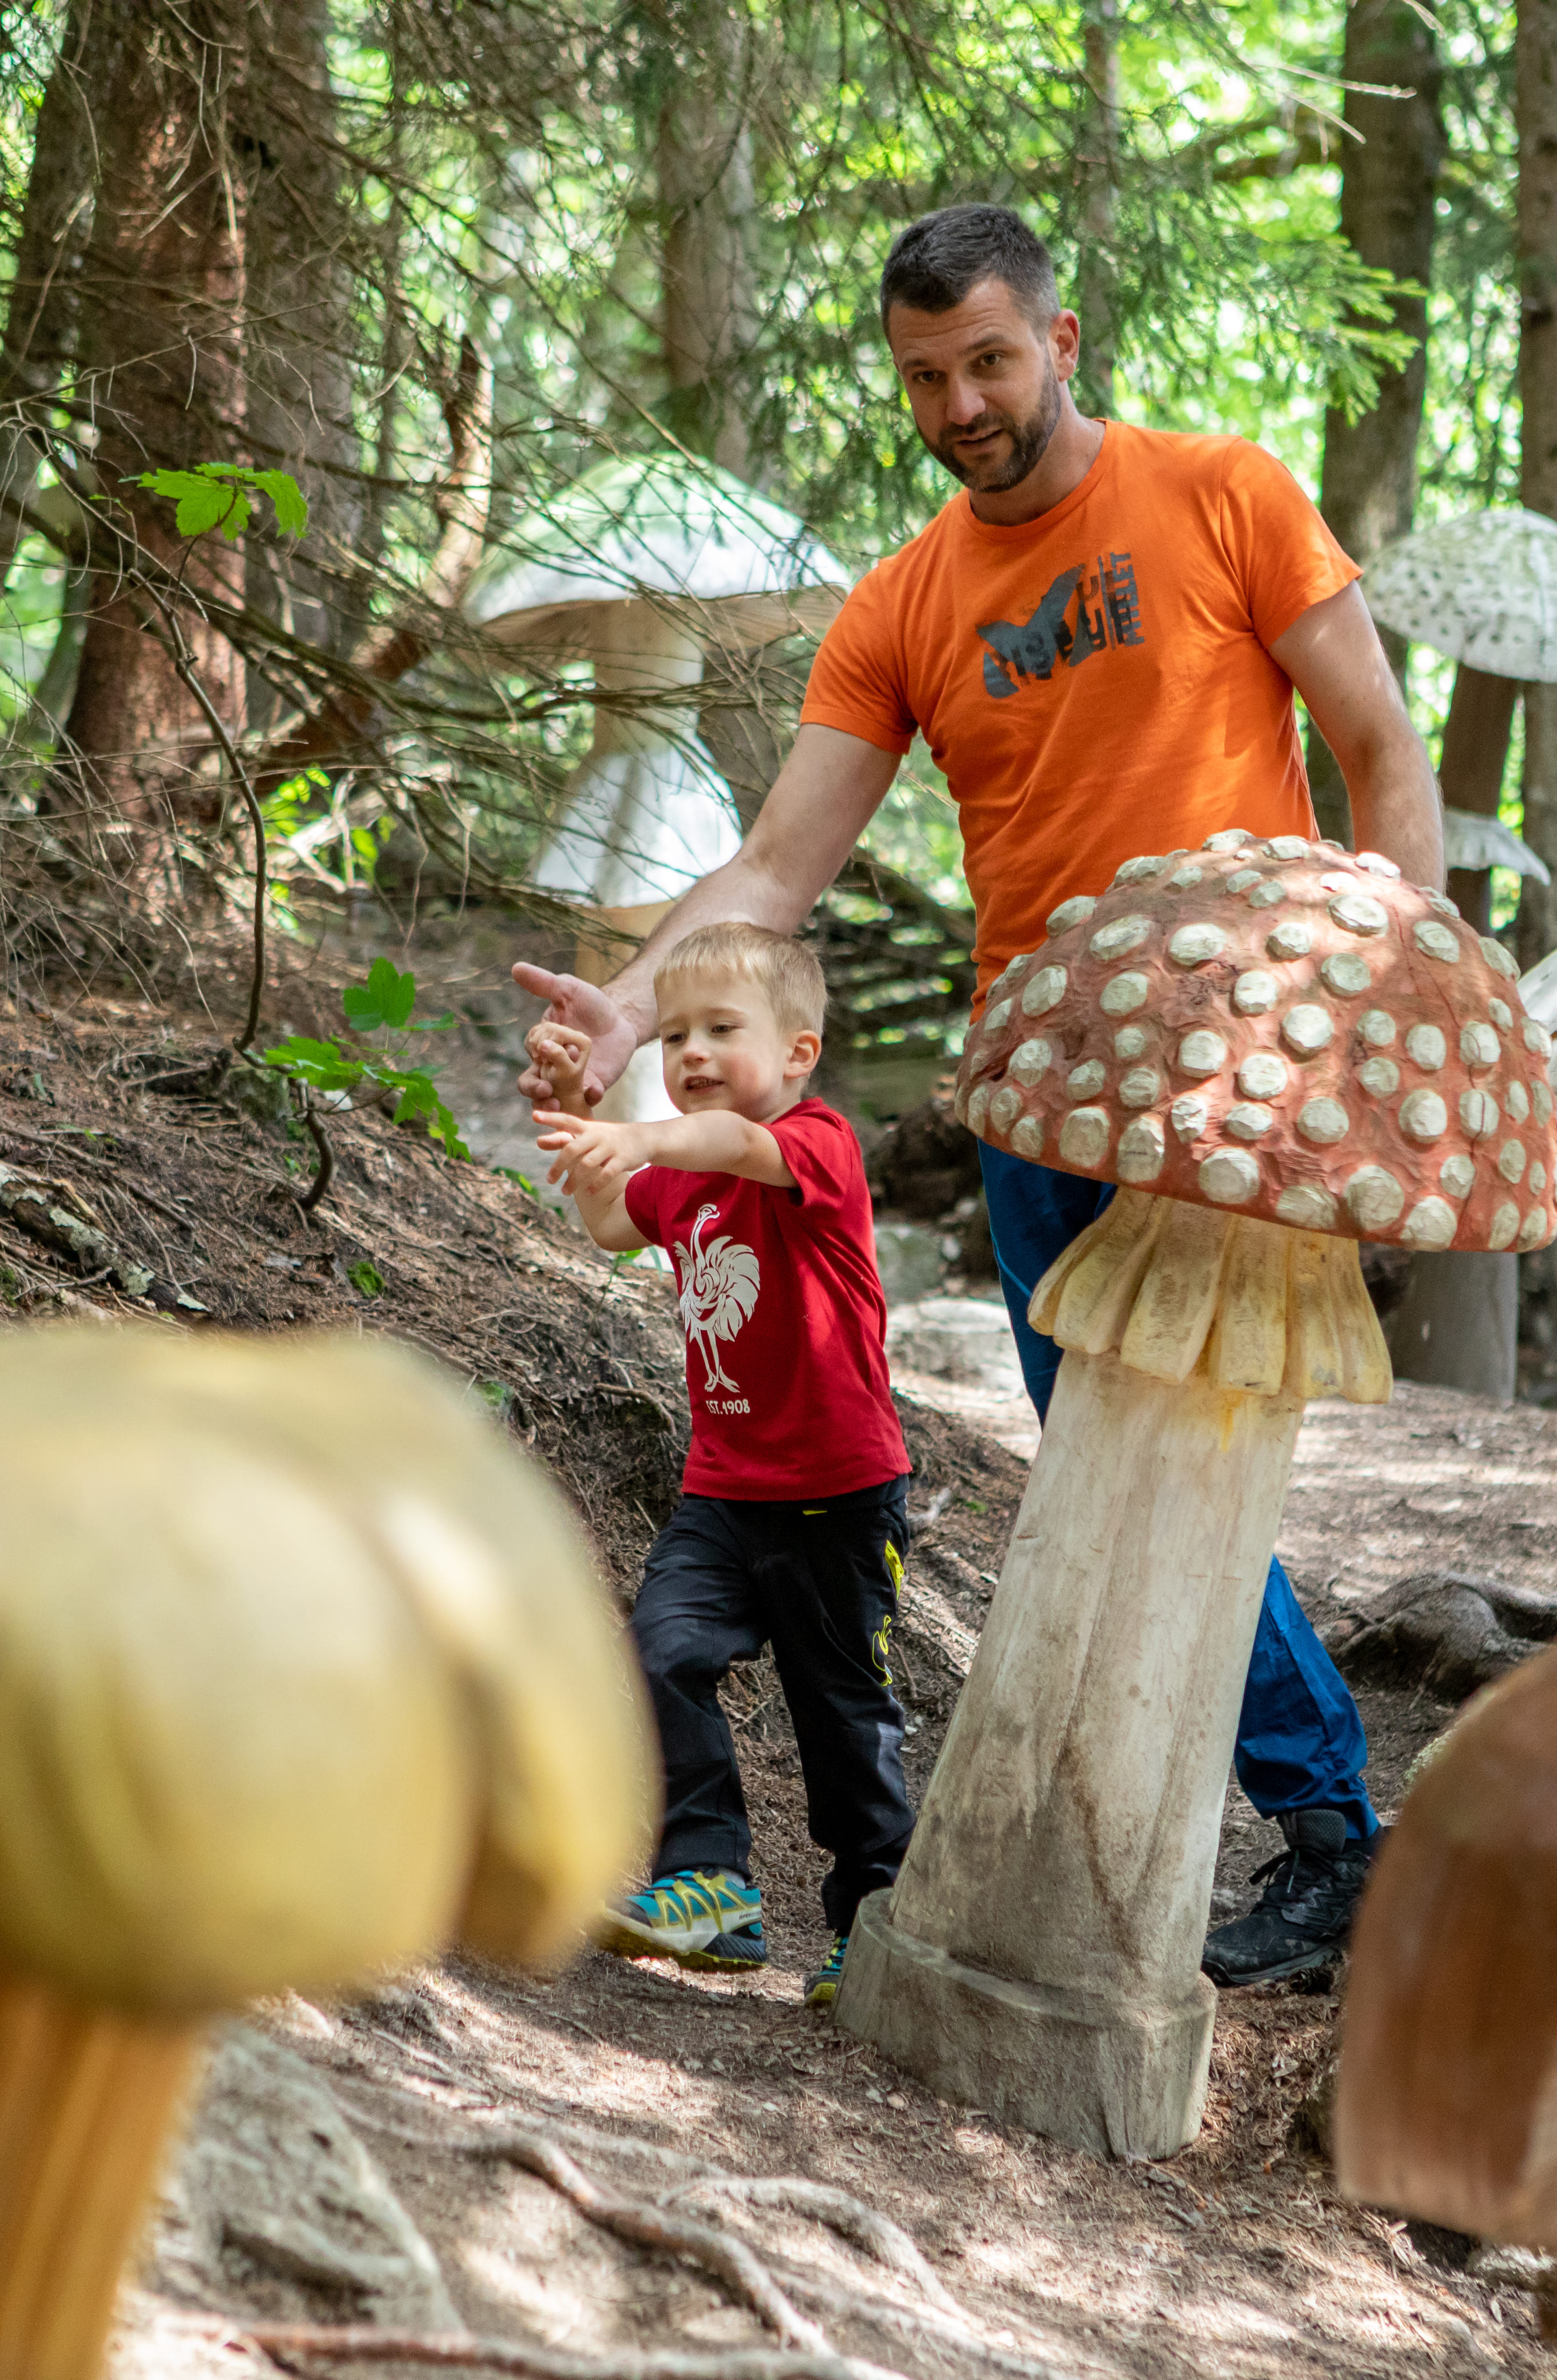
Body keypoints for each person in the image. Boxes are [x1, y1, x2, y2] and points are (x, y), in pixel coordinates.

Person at [519, 203, 1445, 1990]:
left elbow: (1380, 750)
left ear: (1062, 343)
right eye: (927, 377)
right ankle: (1182, 1838)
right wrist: (633, 1005)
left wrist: (1379, 1005)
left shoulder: (1229, 497)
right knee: (1099, 1457)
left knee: (1187, 1445)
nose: (963, 406)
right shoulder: (904, 605)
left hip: (1236, 1067)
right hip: (1038, 1092)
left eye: (992, 363)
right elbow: (776, 868)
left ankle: (1329, 1832)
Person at [533, 922, 912, 2013]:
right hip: (725, 1490)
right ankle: (711, 1880)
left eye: (720, 1030)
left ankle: (874, 1915)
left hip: (839, 1495)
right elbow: (612, 1222)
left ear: (798, 1051)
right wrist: (588, 1121)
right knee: (661, 1650)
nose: (691, 1051)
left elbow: (732, 1144)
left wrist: (639, 1132)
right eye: (675, 1035)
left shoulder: (813, 1142)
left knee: (843, 1717)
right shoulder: (680, 1177)